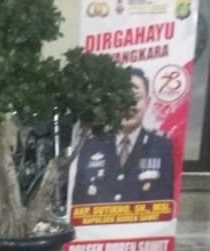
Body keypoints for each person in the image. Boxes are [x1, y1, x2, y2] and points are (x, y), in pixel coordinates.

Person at [71, 67, 175, 207]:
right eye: (121, 99)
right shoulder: (91, 145)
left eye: (136, 99)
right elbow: (79, 201)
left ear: (147, 102)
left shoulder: (161, 147)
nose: (128, 106)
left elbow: (165, 201)